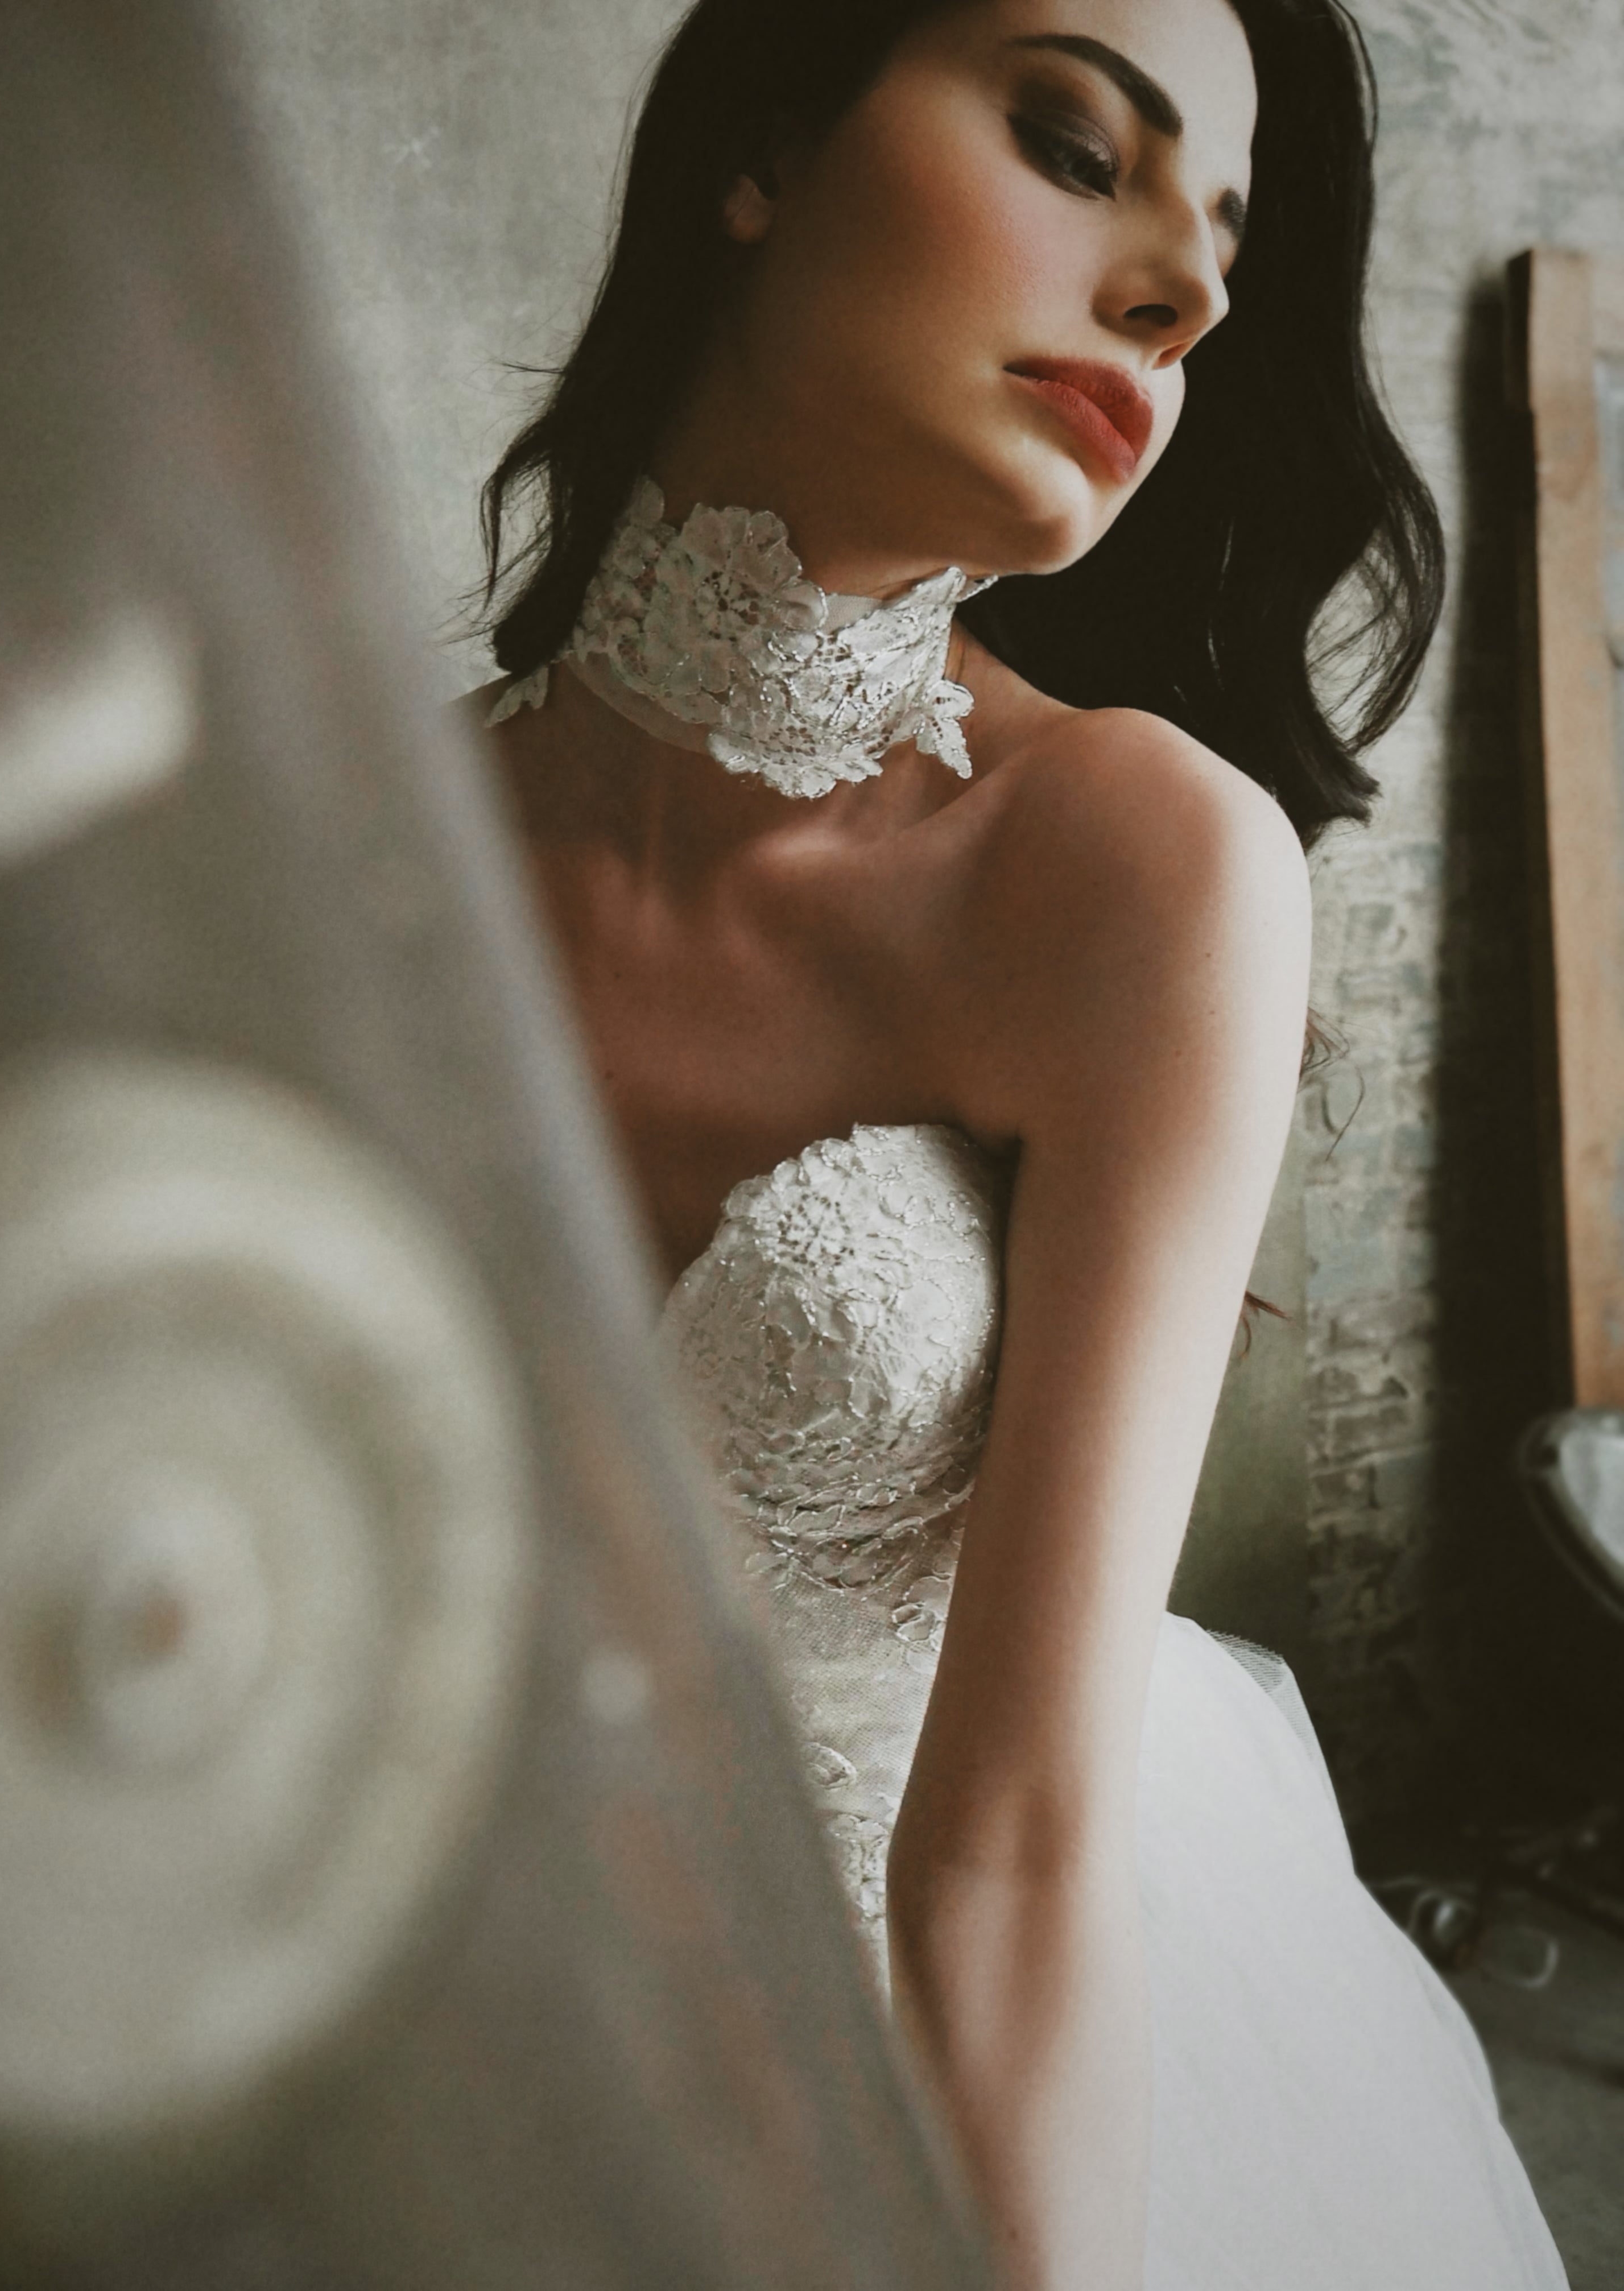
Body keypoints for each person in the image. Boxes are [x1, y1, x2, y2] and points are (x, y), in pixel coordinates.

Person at [470, 1, 1568, 2283]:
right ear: (764, 141)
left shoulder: (1137, 863)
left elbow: (1010, 1847)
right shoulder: (377, 832)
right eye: (1081, 143)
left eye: (1221, 255)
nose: (1180, 287)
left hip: (940, 2060)